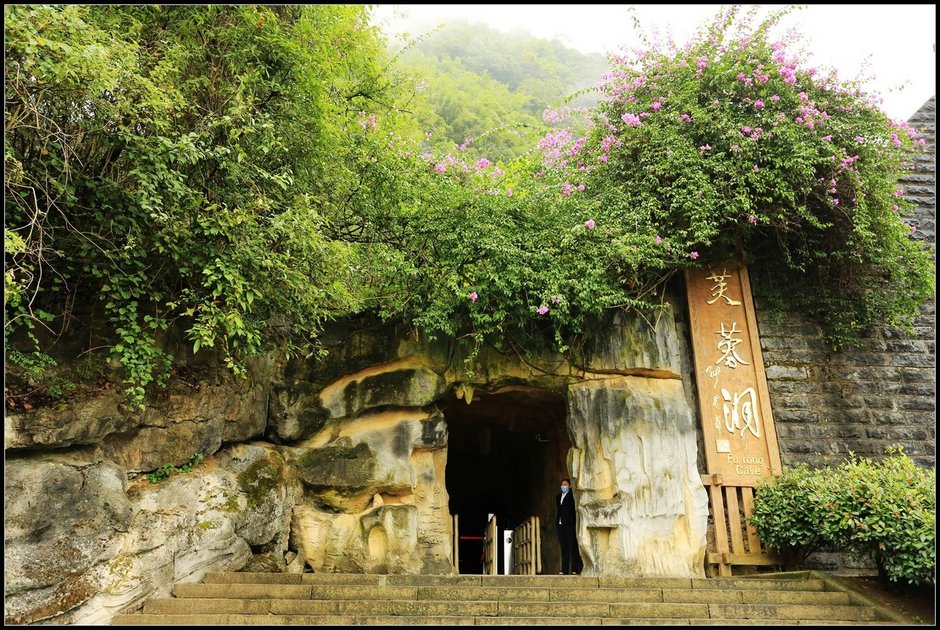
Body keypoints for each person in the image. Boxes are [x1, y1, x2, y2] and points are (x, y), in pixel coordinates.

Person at [556, 478, 577, 574]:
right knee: (564, 548)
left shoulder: (572, 496)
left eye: (565, 484)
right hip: (560, 525)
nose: (563, 486)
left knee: (572, 546)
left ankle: (575, 569)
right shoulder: (558, 496)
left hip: (570, 524)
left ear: (570, 486)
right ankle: (564, 570)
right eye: (562, 484)